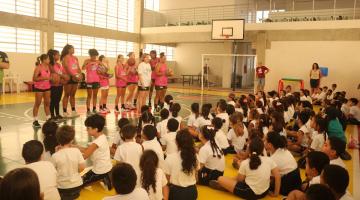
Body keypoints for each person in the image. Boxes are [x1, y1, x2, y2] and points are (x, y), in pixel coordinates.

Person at [210, 137, 281, 199]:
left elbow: (239, 180)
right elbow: (278, 176)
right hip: (264, 192)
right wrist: (276, 193)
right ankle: (227, 186)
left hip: (250, 193)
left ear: (249, 149)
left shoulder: (246, 163)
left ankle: (226, 187)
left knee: (220, 179)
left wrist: (229, 179)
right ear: (262, 149)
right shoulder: (269, 160)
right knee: (235, 179)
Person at [77, 114, 112, 189]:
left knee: (78, 183)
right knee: (83, 178)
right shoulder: (102, 137)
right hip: (104, 167)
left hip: (99, 171)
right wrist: (76, 147)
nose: (86, 130)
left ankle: (103, 177)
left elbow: (85, 156)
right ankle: (105, 177)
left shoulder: (97, 142)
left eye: (88, 128)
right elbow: (88, 150)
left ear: (95, 129)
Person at [52, 125, 85, 200]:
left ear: (58, 139)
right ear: (72, 140)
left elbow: (53, 172)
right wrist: (74, 172)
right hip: (77, 186)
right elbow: (82, 167)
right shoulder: (76, 151)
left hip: (62, 188)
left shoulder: (55, 155)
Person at [164, 129, 199, 200]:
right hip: (192, 192)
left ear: (176, 142)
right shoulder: (195, 156)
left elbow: (166, 182)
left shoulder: (170, 158)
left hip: (177, 194)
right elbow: (196, 178)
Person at [265, 131, 301, 195]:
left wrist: (275, 193)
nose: (264, 142)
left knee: (264, 182)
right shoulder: (282, 149)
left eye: (265, 140)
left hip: (288, 185)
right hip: (297, 179)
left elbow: (272, 177)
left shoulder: (274, 158)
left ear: (270, 144)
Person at [61, 44, 81, 118]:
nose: (74, 50)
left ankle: (73, 110)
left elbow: (78, 67)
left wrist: (80, 74)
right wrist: (73, 75)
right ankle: (65, 111)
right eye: (72, 48)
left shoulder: (75, 58)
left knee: (73, 95)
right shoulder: (65, 58)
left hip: (75, 78)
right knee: (67, 94)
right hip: (69, 78)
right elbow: (66, 68)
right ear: (68, 49)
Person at [32, 54, 52, 128]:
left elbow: (48, 77)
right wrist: (43, 78)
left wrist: (51, 78)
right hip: (39, 88)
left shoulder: (48, 67)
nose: (49, 60)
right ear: (44, 60)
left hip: (47, 87)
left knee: (47, 103)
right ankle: (35, 120)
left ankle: (48, 118)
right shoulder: (38, 68)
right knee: (37, 103)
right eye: (48, 59)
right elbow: (34, 78)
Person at [48, 49, 65, 121]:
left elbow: (60, 73)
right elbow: (54, 72)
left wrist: (63, 78)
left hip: (60, 85)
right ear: (53, 56)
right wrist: (63, 76)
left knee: (58, 100)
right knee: (53, 100)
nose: (59, 56)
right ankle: (52, 115)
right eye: (58, 55)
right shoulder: (50, 64)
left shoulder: (58, 64)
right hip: (53, 85)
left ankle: (57, 114)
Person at [82, 49, 101, 115]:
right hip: (89, 81)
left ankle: (94, 109)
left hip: (96, 80)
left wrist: (101, 68)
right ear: (90, 55)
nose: (94, 57)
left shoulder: (98, 61)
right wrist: (85, 64)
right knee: (89, 95)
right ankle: (88, 110)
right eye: (93, 56)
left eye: (95, 56)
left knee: (95, 95)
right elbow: (83, 68)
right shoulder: (86, 61)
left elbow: (102, 70)